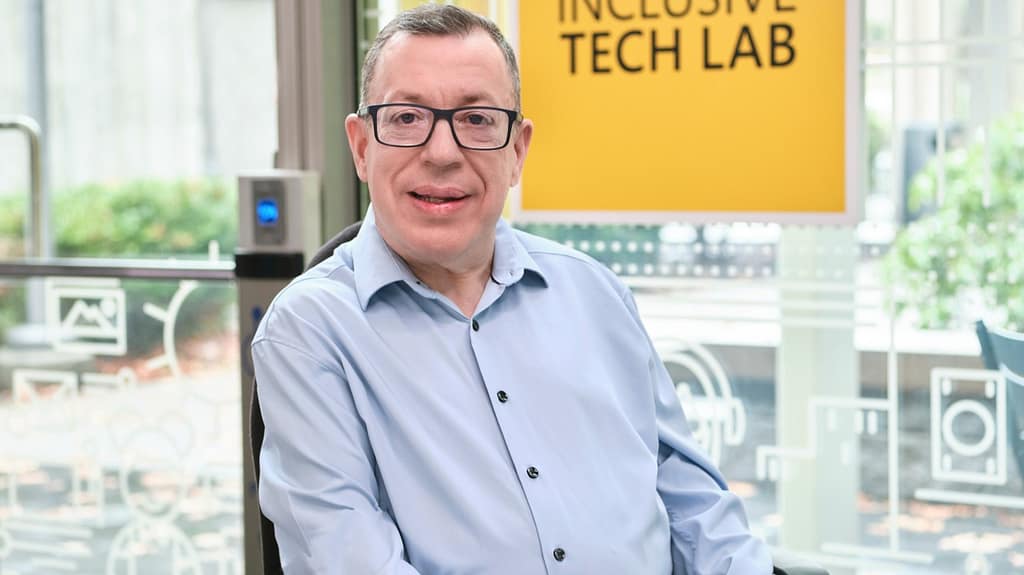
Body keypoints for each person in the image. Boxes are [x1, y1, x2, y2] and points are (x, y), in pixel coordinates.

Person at [252, 4, 772, 574]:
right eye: (406, 117)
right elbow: (349, 557)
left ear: (518, 150)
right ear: (360, 146)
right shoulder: (309, 333)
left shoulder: (594, 294)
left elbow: (696, 509)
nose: (442, 153)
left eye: (477, 119)